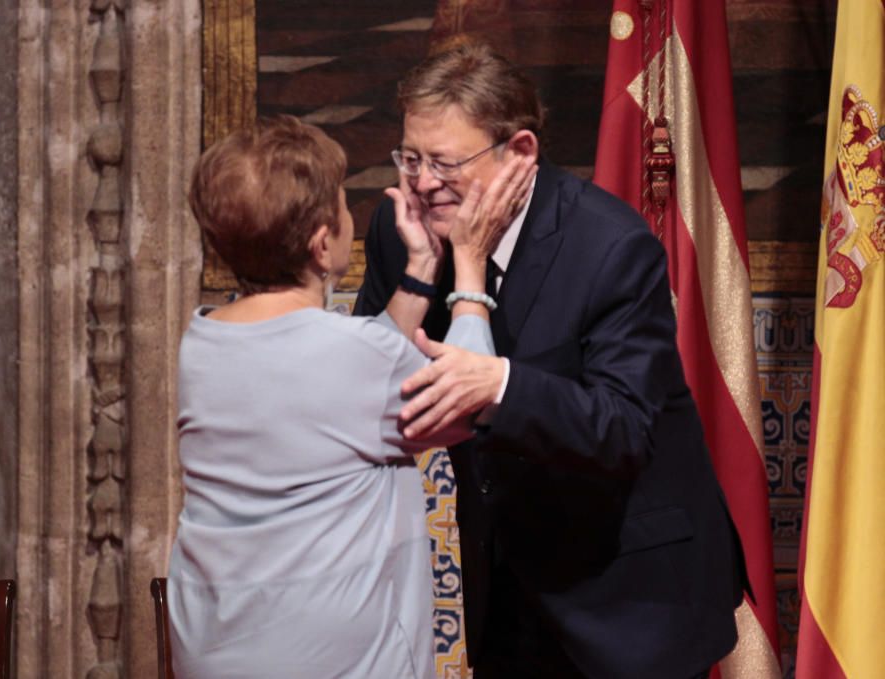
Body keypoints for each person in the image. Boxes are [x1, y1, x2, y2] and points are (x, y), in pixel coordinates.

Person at [355, 42, 748, 679]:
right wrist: (422, 274)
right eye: (411, 159)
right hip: (510, 583)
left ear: (521, 153)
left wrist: (501, 383)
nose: (423, 184)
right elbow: (367, 391)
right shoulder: (397, 230)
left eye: (446, 163)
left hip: (632, 589)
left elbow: (624, 428)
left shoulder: (611, 246)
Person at [165, 115, 533, 679]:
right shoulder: (353, 357)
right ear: (321, 243)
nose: (349, 219)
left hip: (218, 646)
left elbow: (342, 385)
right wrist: (470, 269)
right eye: (342, 207)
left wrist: (416, 275)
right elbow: (467, 400)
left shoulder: (205, 339)